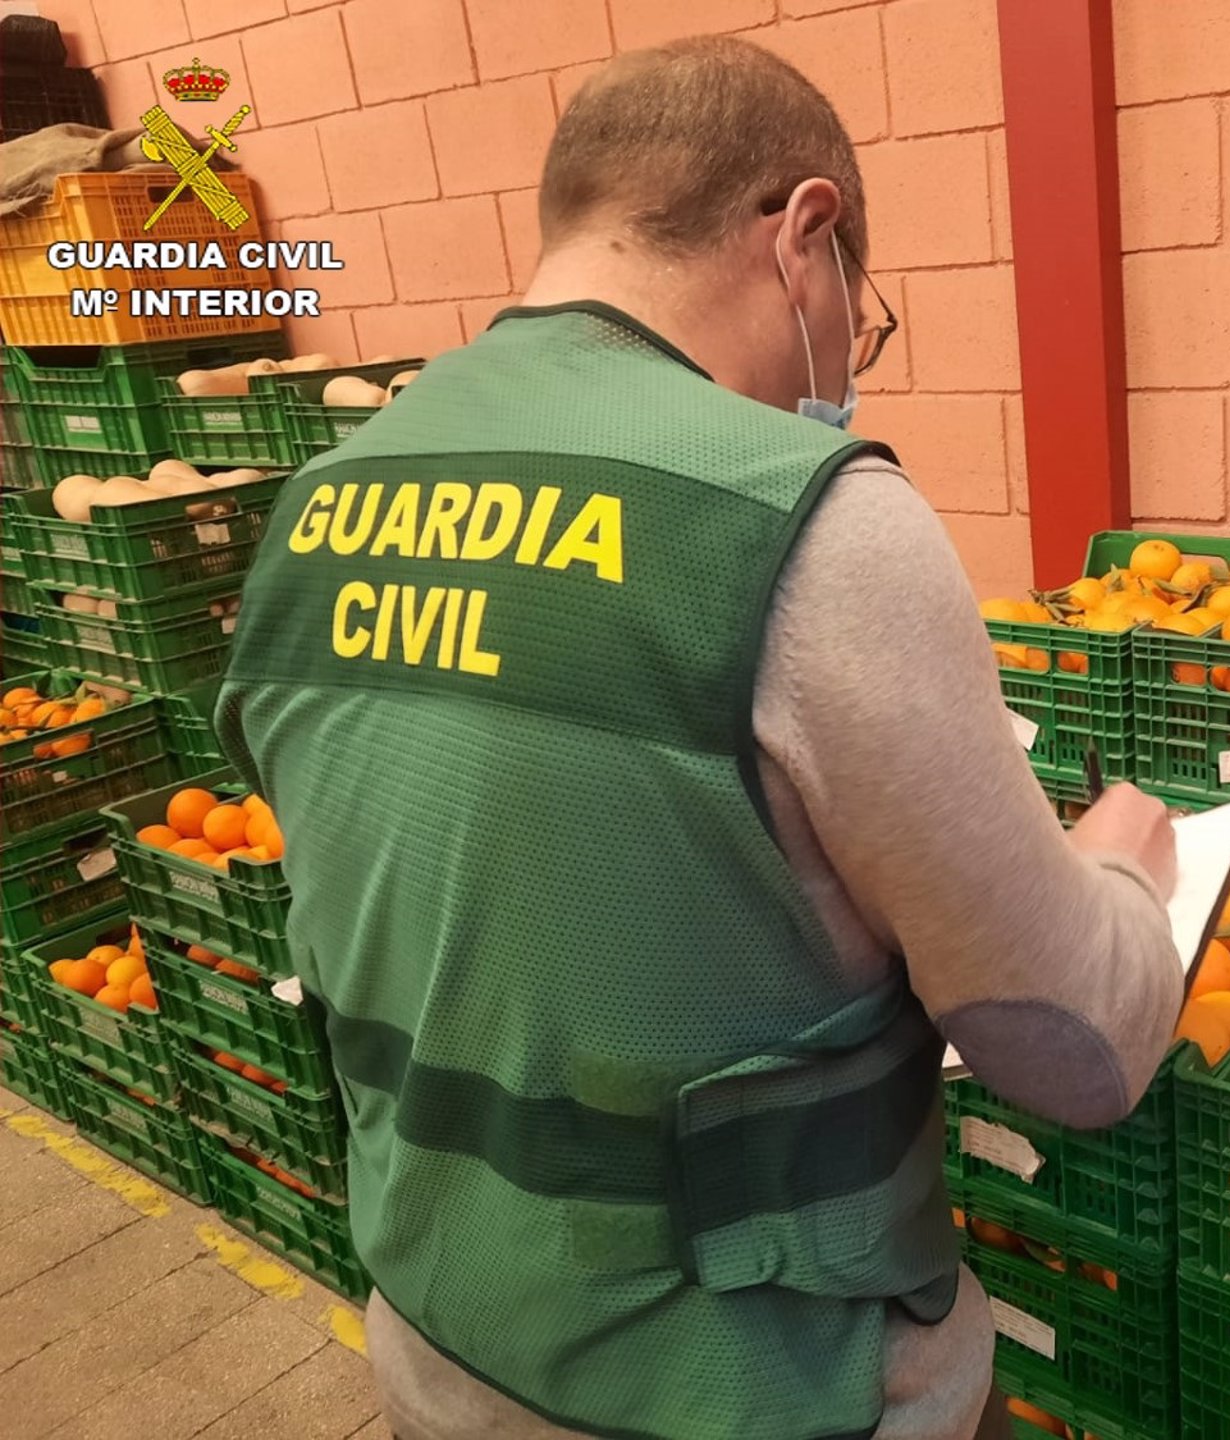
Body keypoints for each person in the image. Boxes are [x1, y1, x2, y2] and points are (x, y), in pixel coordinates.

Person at [216, 35, 1181, 1440]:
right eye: (861, 313)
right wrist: (1127, 875)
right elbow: (1073, 1054)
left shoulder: (311, 514)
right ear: (806, 236)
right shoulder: (804, 522)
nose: (847, 358)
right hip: (765, 1392)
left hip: (439, 1351)